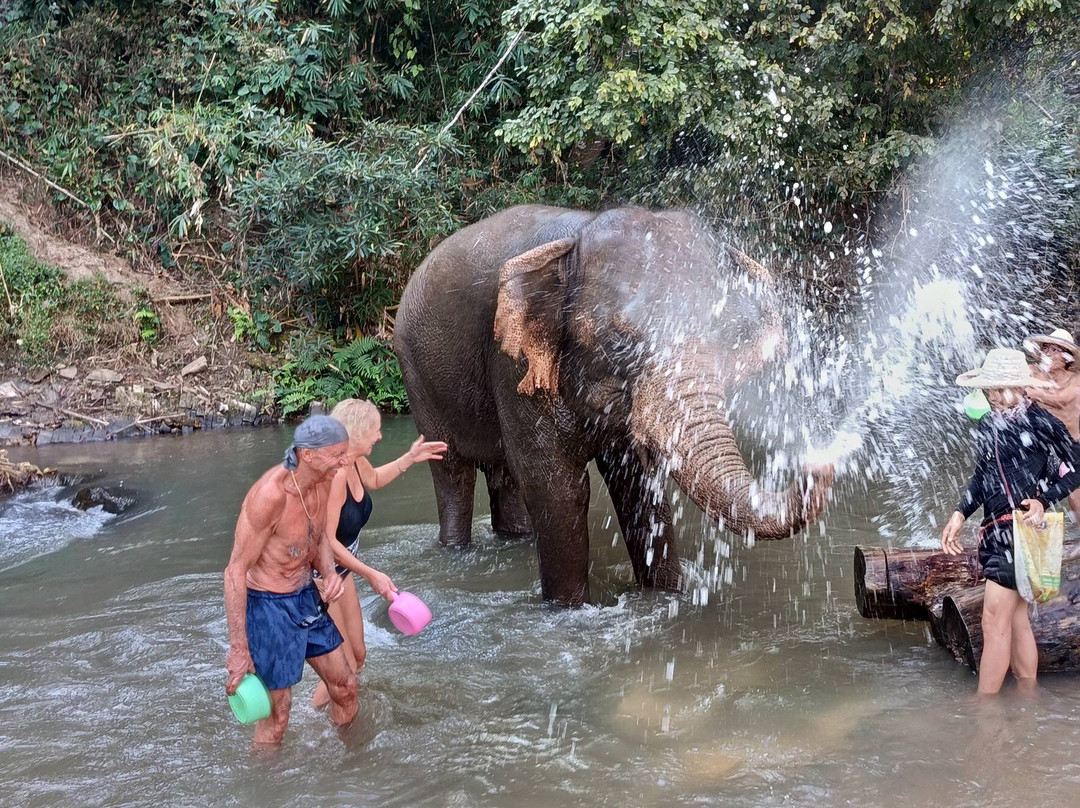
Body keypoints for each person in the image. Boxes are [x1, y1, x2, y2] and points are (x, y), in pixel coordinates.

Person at [941, 348, 1080, 695]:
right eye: (990, 388)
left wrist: (1044, 500)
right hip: (996, 532)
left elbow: (1077, 466)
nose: (993, 395)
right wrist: (960, 514)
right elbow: (982, 476)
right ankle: (1027, 703)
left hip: (1020, 533)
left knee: (993, 622)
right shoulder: (989, 422)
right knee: (1017, 623)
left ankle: (984, 713)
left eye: (999, 387)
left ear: (1019, 387)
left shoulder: (1041, 421)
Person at [224, 415, 357, 745]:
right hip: (268, 608)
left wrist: (327, 572)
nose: (345, 462)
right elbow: (234, 572)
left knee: (345, 687)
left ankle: (350, 771)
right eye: (338, 454)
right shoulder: (270, 498)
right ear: (308, 455)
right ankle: (266, 789)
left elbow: (319, 536)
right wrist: (239, 649)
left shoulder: (322, 482)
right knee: (277, 716)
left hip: (305, 598)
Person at [311, 398, 447, 709]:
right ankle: (323, 724)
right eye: (376, 430)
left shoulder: (355, 460)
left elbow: (372, 480)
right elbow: (327, 541)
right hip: (320, 578)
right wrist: (370, 573)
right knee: (342, 667)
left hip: (341, 573)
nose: (380, 436)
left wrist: (410, 458)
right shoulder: (336, 474)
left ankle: (322, 711)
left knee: (357, 656)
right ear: (356, 434)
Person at [1024, 328, 1080, 523]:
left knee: (1075, 491)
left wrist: (1035, 393)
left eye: (1056, 349)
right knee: (1030, 490)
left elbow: (1061, 399)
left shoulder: (1075, 379)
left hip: (1069, 447)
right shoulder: (1032, 372)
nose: (1048, 352)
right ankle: (1032, 536)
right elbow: (1013, 382)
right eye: (1046, 348)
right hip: (1040, 444)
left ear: (1066, 358)